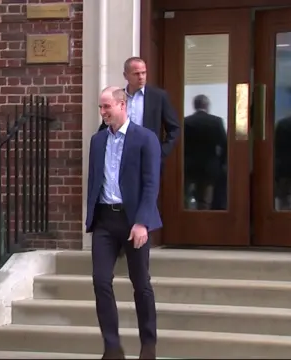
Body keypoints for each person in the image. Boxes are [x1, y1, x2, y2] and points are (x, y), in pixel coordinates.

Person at [86, 86, 162, 360]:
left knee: (140, 283)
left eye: (107, 106)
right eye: (101, 107)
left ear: (122, 105)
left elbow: (151, 184)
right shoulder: (97, 141)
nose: (103, 112)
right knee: (100, 280)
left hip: (133, 221)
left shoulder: (145, 139)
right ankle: (112, 347)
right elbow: (95, 180)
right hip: (105, 220)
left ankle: (148, 345)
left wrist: (142, 222)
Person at [98, 57, 180, 162]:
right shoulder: (117, 97)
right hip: (119, 155)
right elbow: (106, 125)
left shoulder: (158, 97)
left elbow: (174, 128)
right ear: (125, 75)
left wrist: (161, 152)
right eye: (136, 74)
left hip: (147, 155)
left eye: (144, 73)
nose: (141, 77)